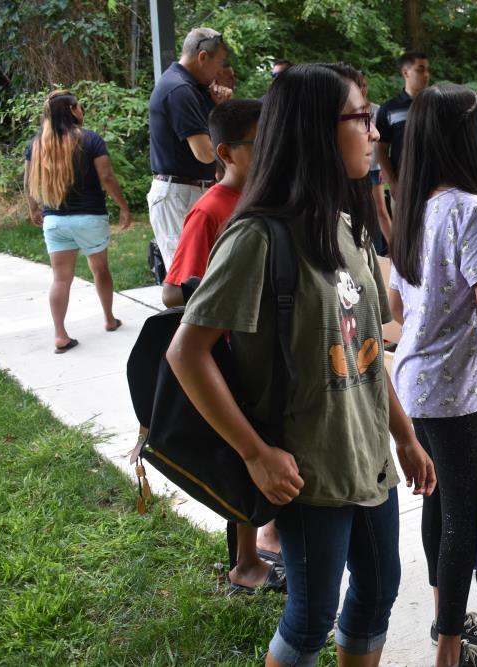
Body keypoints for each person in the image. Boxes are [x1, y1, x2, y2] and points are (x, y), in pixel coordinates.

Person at [167, 63, 436, 667]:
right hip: (308, 472)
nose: (373, 132)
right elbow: (186, 352)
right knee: (312, 616)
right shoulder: (257, 238)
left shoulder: (348, 226)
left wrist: (406, 437)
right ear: (316, 130)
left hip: (369, 460)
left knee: (378, 593)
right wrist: (256, 454)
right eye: (360, 117)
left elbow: (367, 347)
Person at [389, 83, 477, 667]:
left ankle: (449, 617)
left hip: (412, 384)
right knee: (460, 519)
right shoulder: (476, 211)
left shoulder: (411, 206)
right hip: (459, 392)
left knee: (438, 511)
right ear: (466, 136)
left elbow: (398, 311)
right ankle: (448, 651)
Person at [159, 99, 287, 595]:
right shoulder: (210, 209)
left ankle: (268, 539)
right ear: (226, 152)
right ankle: (245, 563)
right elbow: (173, 290)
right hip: (229, 355)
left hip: (264, 353)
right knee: (242, 461)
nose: (274, 151)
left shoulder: (263, 200)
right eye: (262, 144)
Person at [23, 90, 131, 353]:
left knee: (60, 279)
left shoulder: (37, 143)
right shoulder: (91, 139)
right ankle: (108, 319)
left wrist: (34, 208)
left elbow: (28, 183)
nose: (82, 110)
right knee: (100, 270)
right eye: (79, 106)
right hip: (90, 218)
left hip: (55, 222)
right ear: (72, 110)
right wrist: (123, 207)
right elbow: (106, 176)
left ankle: (60, 335)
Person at [147, 27, 231, 270]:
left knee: (205, 273)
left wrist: (219, 108)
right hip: (178, 194)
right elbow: (205, 153)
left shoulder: (194, 88)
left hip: (191, 190)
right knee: (187, 278)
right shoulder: (180, 90)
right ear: (202, 56)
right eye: (219, 63)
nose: (220, 71)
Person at [376, 51, 430, 195]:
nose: (426, 75)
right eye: (420, 69)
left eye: (427, 70)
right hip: (403, 187)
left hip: (435, 187)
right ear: (405, 72)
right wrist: (393, 184)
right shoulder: (389, 109)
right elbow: (381, 149)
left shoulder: (435, 106)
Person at [362, 76, 392, 253]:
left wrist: (382, 165)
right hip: (357, 168)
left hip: (374, 167)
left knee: (379, 210)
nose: (363, 89)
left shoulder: (377, 110)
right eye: (360, 85)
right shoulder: (346, 108)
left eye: (365, 85)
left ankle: (387, 251)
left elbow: (382, 142)